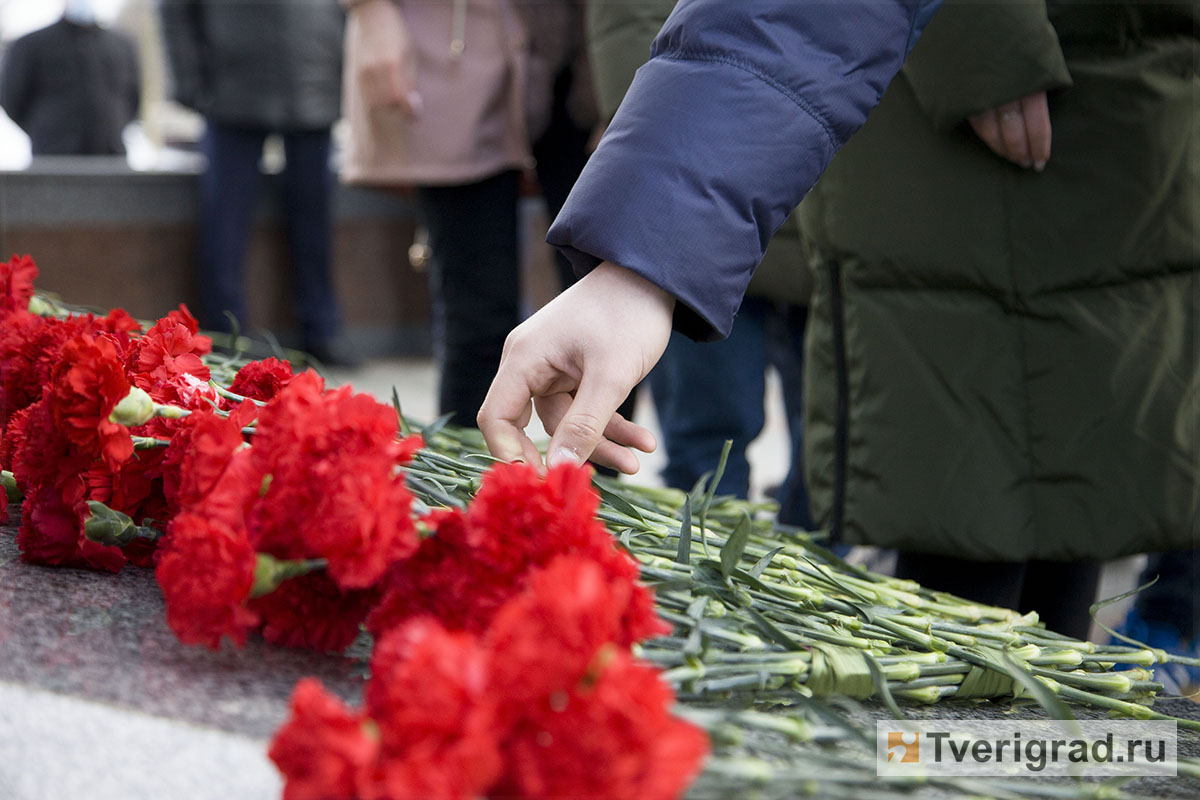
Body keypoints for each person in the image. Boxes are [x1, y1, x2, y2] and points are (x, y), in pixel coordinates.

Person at [478, 0, 1198, 639]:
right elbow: (794, 22)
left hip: (1125, 168)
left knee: (1069, 512)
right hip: (1001, 141)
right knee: (980, 540)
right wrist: (644, 258)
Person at [587, 0, 813, 524]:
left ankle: (805, 577)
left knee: (825, 443)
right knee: (709, 436)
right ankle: (709, 571)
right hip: (703, 184)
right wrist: (659, 163)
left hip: (779, 185)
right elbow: (630, 24)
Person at [341, 0, 603, 428]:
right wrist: (370, 10)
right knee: (478, 317)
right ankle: (478, 487)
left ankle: (594, 488)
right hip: (458, 43)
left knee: (603, 310)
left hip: (589, 48)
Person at [159, 0, 358, 367]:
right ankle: (225, 335)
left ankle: (323, 330)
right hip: (231, 92)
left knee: (315, 224)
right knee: (226, 223)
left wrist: (346, 83)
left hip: (312, 90)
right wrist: (190, 85)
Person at [0, 0, 140, 156]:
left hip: (110, 153)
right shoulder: (31, 44)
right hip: (54, 156)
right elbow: (11, 98)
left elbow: (133, 97)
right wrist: (44, 131)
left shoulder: (121, 44)